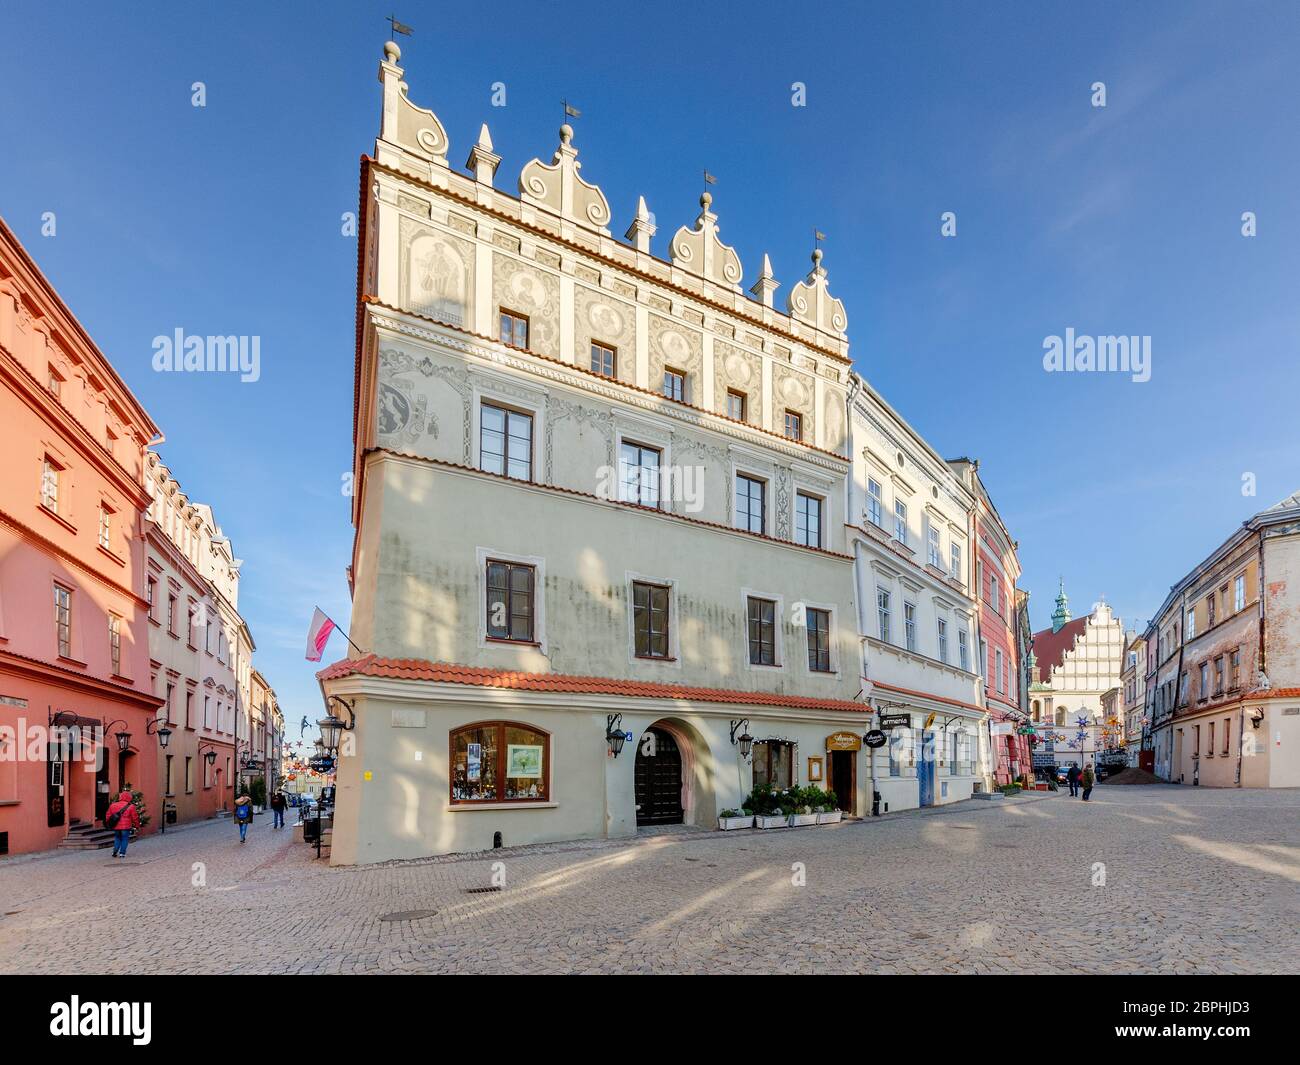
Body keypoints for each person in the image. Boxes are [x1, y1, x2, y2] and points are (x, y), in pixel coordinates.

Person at [105, 790, 140, 858]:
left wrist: (110, 823)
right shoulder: (131, 806)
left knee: (117, 838)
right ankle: (122, 853)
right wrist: (137, 825)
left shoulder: (113, 805)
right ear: (129, 797)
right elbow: (135, 817)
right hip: (126, 827)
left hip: (116, 826)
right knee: (125, 839)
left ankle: (114, 851)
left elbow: (108, 815)